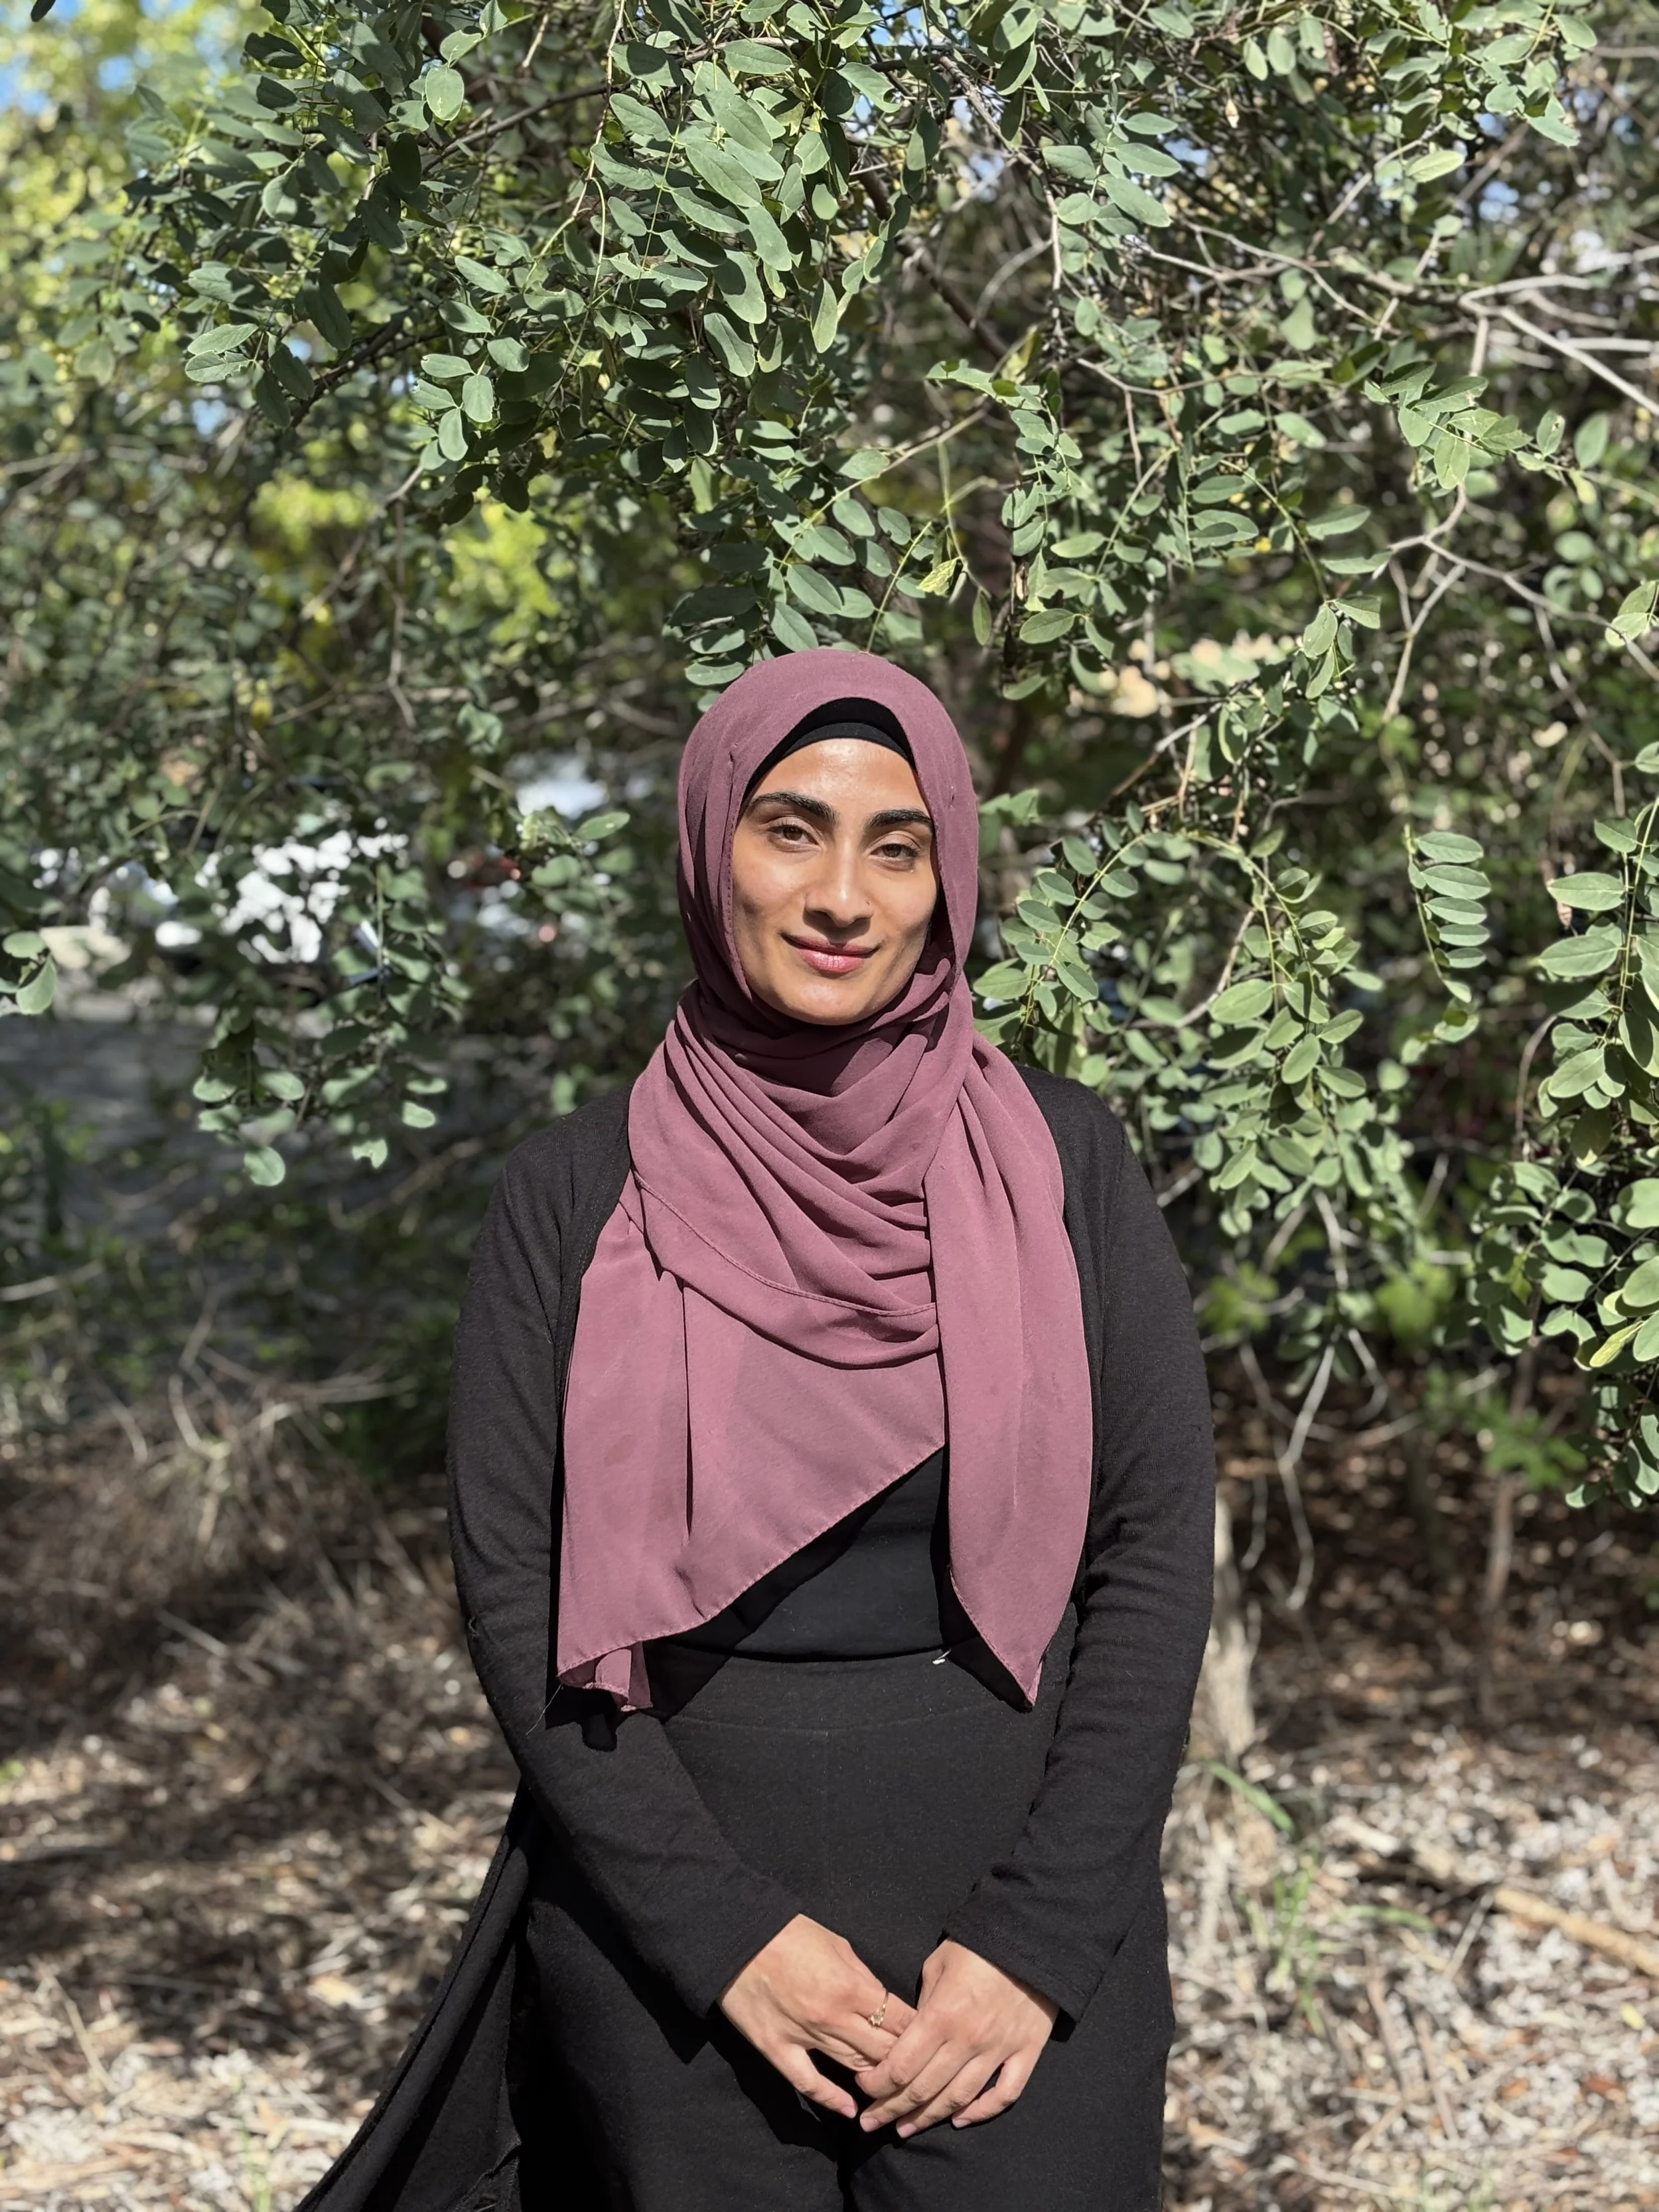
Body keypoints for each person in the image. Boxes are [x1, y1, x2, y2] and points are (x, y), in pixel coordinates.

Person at [299, 650, 1215, 2212]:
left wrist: (1039, 1941)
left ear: (948, 884)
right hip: (675, 1935)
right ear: (708, 844)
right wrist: (719, 1935)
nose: (840, 894)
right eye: (789, 830)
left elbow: (1150, 1558)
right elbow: (518, 1603)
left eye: (895, 844)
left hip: (1009, 1915)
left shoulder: (1062, 1164)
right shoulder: (574, 1195)